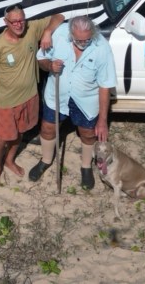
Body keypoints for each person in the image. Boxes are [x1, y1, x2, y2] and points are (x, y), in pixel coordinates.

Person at [0, 4, 64, 191]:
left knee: (20, 132)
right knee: (2, 139)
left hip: (30, 96)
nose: (18, 24)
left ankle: (9, 160)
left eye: (21, 19)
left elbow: (59, 16)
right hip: (8, 102)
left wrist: (47, 32)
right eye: (14, 21)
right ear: (6, 22)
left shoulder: (31, 28)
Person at [29, 15, 116, 190]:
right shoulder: (59, 35)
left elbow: (105, 85)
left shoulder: (102, 48)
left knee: (87, 133)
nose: (83, 43)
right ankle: (46, 160)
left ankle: (85, 166)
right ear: (70, 34)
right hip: (57, 95)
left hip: (86, 101)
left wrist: (102, 120)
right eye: (79, 40)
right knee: (47, 128)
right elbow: (41, 59)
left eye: (87, 40)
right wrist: (50, 66)